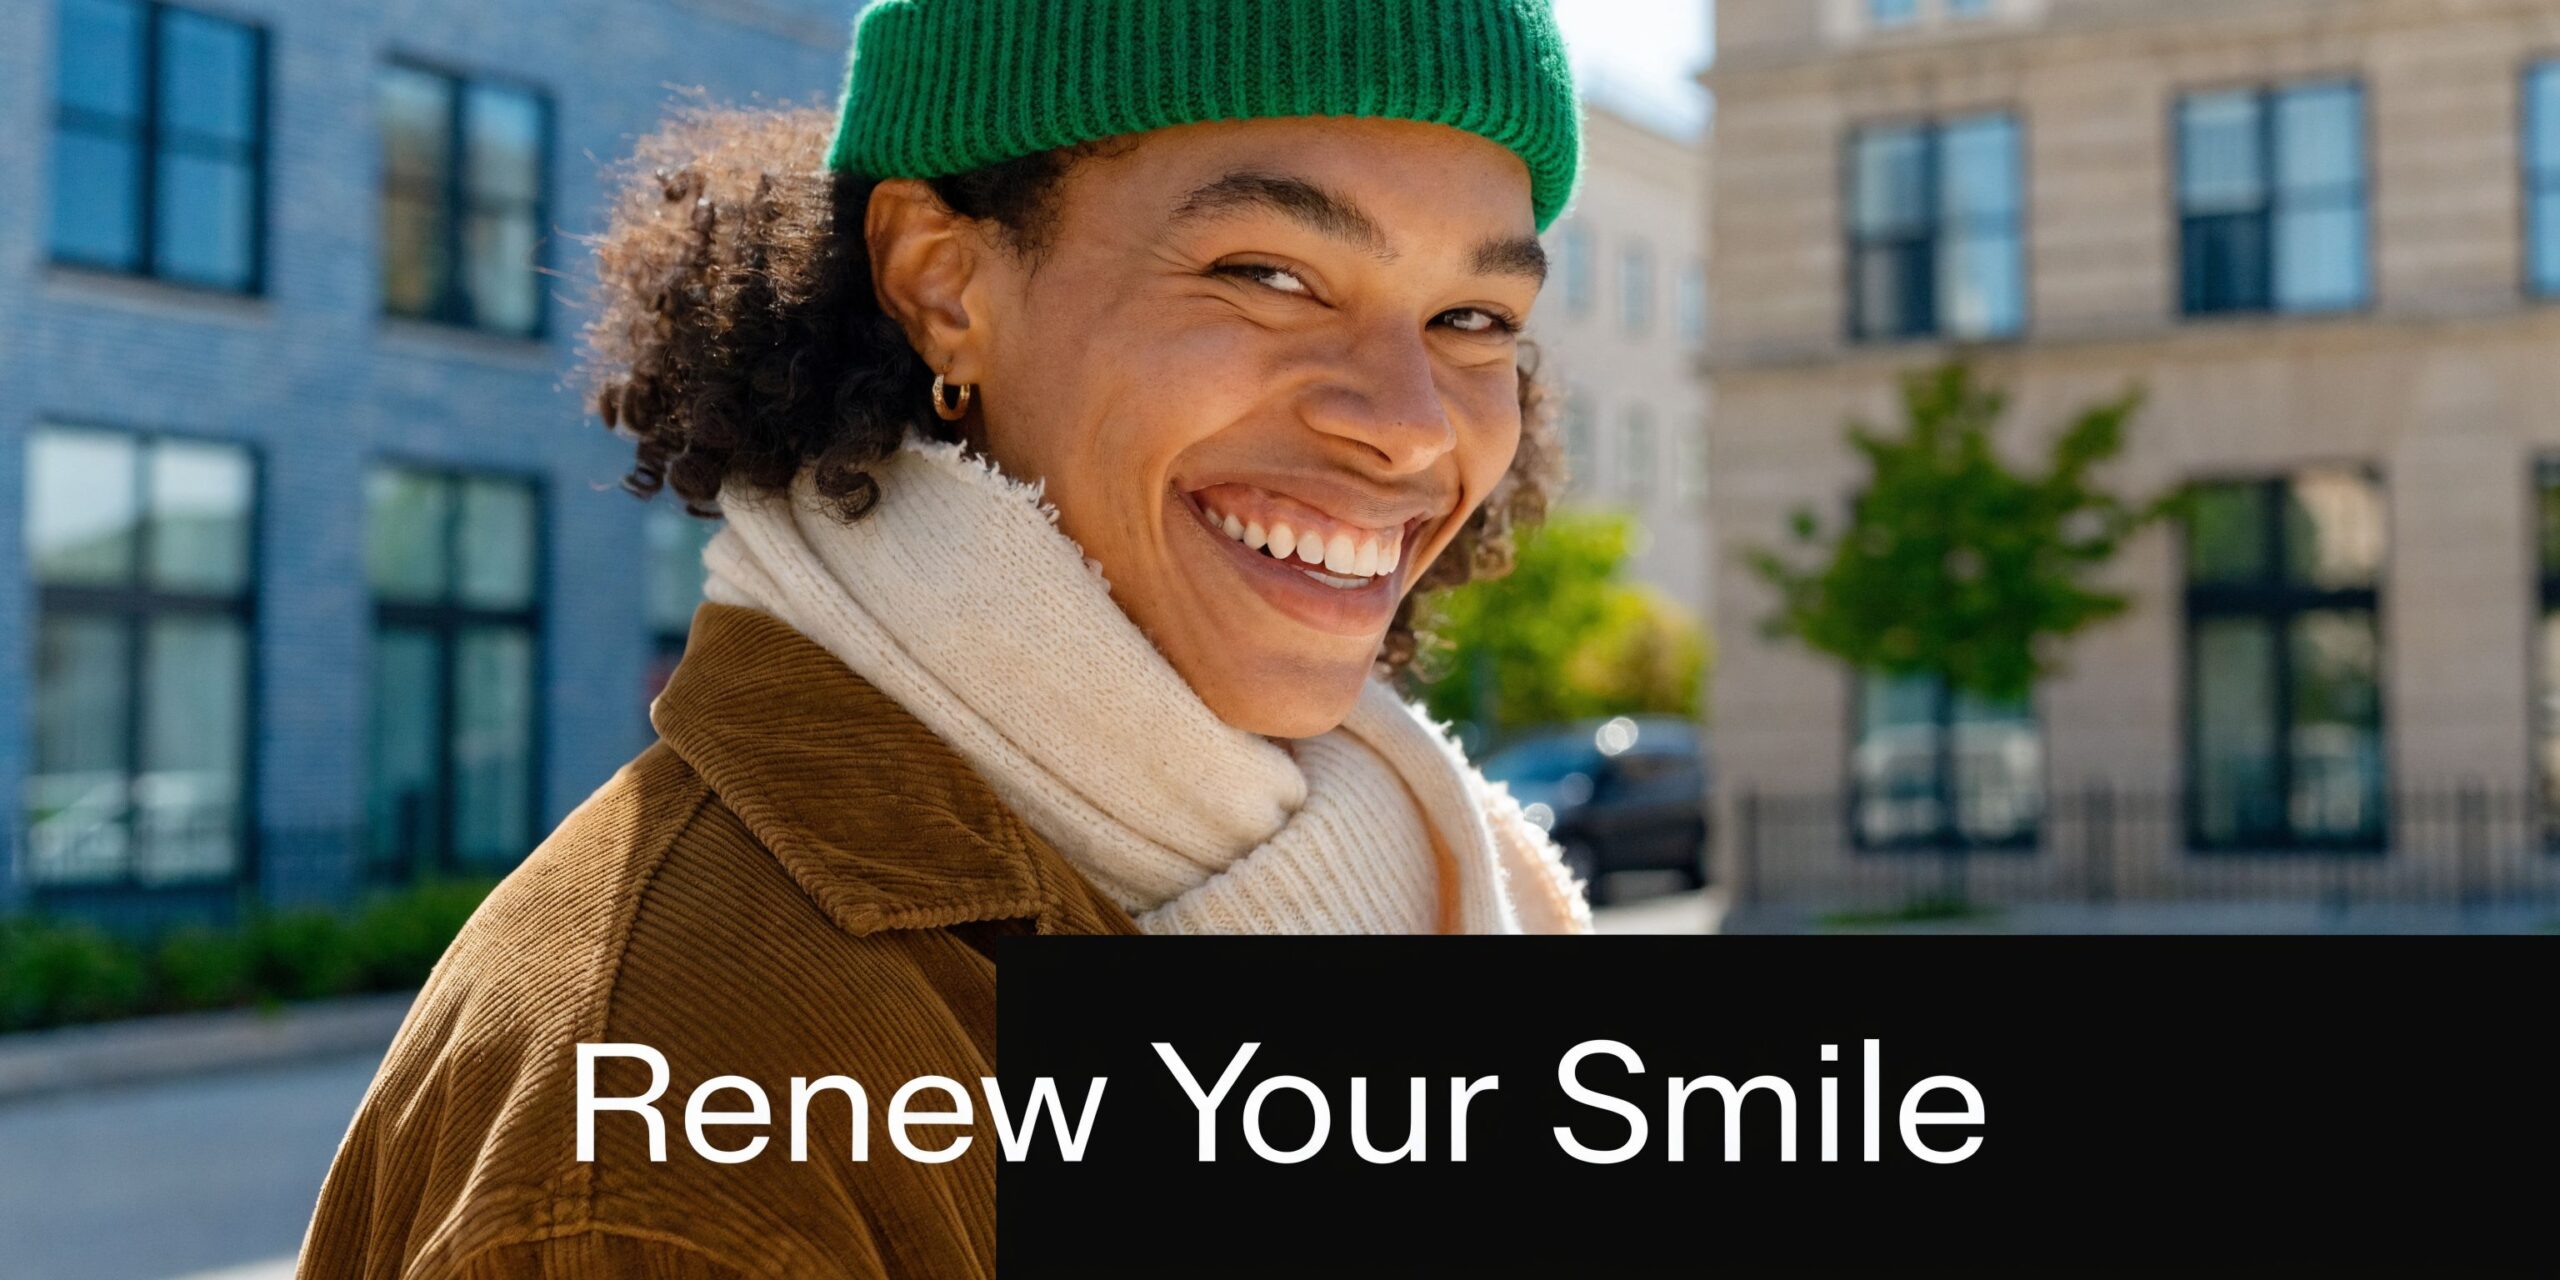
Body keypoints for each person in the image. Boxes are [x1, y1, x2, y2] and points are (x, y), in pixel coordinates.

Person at [300, 1, 1590, 1275]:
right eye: (1269, 276)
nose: (1415, 425)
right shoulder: (676, 1130)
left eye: (1473, 319)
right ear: (942, 279)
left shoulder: (1409, 868)